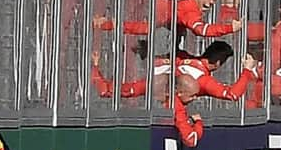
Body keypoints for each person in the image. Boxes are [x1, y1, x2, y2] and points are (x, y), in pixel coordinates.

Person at [92, 40, 257, 103]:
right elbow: (233, 95)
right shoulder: (203, 80)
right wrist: (247, 71)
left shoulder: (184, 57)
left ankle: (92, 67)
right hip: (164, 107)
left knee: (111, 91)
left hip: (151, 83)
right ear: (219, 63)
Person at [93, 0, 242, 48]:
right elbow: (200, 30)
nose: (211, 2)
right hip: (144, 8)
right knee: (145, 29)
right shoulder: (190, 10)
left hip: (144, 0)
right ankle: (101, 23)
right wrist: (230, 28)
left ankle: (102, 22)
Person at [173, 74, 203, 148]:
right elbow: (191, 139)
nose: (195, 98)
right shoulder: (178, 109)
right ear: (179, 93)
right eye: (192, 95)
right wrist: (198, 122)